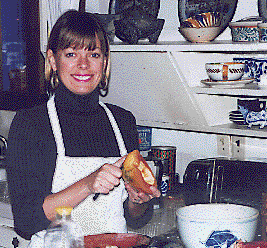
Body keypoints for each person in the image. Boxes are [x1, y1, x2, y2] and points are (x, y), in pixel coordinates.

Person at [6, 10, 160, 246]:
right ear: (52, 60)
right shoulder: (31, 124)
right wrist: (88, 184)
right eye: (70, 54)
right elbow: (27, 222)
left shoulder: (123, 122)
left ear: (104, 61)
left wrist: (138, 200)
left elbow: (135, 220)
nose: (83, 65)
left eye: (94, 54)